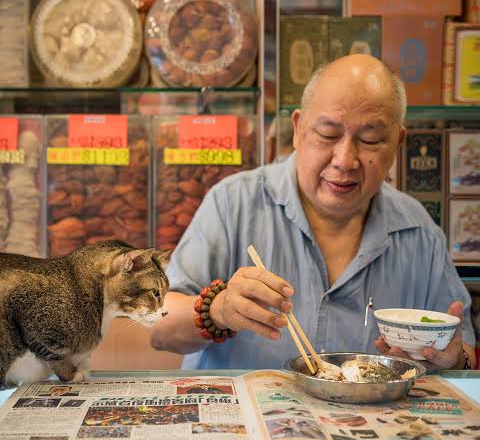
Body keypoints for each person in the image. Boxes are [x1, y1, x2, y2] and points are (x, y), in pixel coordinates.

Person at [151, 54, 476, 371]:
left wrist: (453, 360)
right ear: (298, 128)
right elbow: (160, 328)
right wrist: (218, 310)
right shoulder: (233, 203)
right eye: (328, 134)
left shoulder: (417, 231)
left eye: (370, 139)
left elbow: (463, 351)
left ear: (398, 144)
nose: (345, 160)